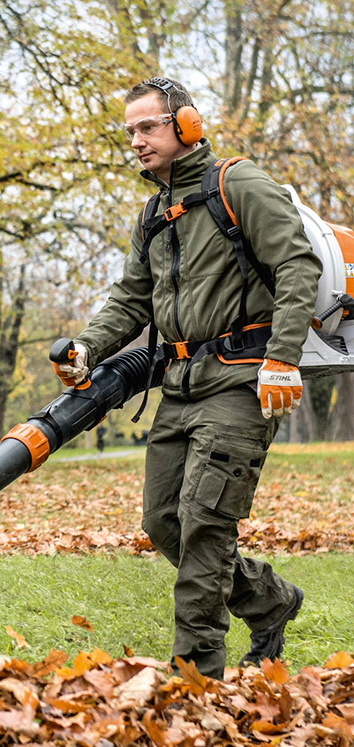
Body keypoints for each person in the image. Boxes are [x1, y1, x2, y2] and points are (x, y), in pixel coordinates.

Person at [52, 77, 321, 680]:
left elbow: (297, 264)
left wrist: (282, 357)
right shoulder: (154, 212)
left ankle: (195, 679)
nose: (137, 141)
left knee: (204, 523)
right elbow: (132, 298)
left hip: (240, 381)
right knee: (164, 522)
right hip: (179, 384)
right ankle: (270, 600)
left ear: (187, 125)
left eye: (147, 127)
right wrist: (87, 347)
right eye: (130, 132)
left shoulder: (239, 184)